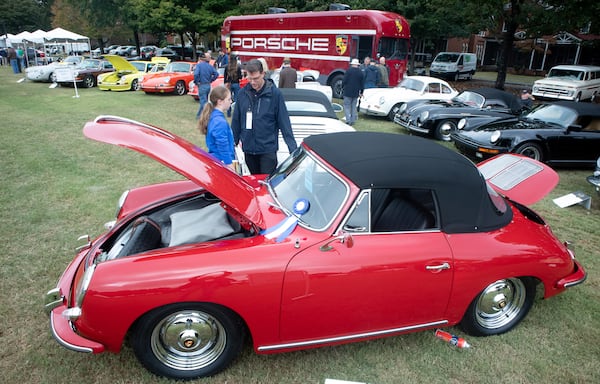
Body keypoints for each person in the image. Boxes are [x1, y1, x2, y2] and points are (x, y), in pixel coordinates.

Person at [231, 59, 297, 175]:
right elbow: (236, 121)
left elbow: (284, 123)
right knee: (254, 182)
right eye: (249, 79)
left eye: (256, 78)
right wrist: (232, 145)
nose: (252, 82)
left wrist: (293, 150)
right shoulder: (242, 94)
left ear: (263, 74)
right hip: (249, 150)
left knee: (265, 183)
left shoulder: (275, 95)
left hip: (267, 150)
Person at [197, 86, 236, 168]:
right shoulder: (219, 122)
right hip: (221, 162)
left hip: (217, 159)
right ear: (220, 101)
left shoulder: (213, 116)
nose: (231, 101)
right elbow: (222, 145)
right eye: (228, 99)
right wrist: (229, 164)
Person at [194, 52, 219, 118]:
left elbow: (196, 74)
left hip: (202, 85)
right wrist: (211, 80)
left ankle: (207, 115)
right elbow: (216, 74)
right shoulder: (210, 66)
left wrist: (197, 82)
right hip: (208, 85)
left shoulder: (199, 66)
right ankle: (199, 115)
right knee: (204, 100)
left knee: (203, 101)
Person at [342, 58, 364, 126]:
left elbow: (344, 80)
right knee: (353, 106)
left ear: (352, 64)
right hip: (356, 92)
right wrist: (361, 92)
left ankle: (348, 120)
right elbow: (362, 84)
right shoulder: (361, 72)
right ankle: (353, 120)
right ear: (357, 65)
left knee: (346, 106)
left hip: (348, 91)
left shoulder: (348, 71)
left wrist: (342, 86)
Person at [224, 53, 242, 117]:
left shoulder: (227, 66)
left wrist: (225, 83)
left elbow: (225, 76)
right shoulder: (238, 67)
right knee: (237, 99)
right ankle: (236, 113)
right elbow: (240, 77)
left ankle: (229, 113)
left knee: (228, 98)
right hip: (236, 83)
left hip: (229, 84)